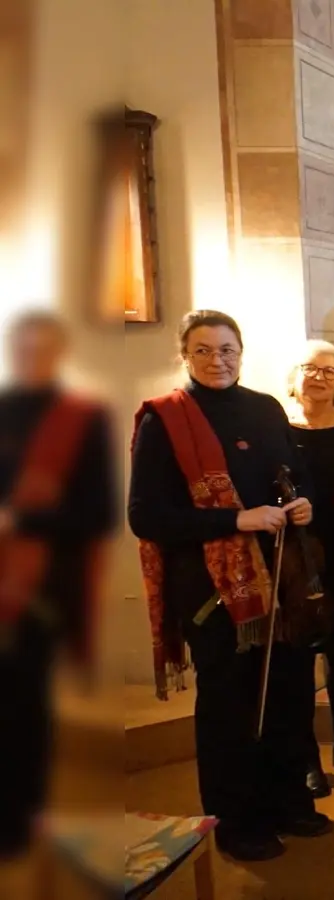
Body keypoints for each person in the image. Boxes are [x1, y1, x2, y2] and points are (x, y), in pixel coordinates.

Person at [128, 310, 325, 861]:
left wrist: (302, 502)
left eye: (227, 350)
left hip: (280, 581)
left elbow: (295, 477)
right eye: (204, 350)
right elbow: (146, 516)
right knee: (229, 709)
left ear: (242, 352)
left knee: (288, 696)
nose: (218, 360)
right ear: (185, 356)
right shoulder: (164, 421)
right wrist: (235, 521)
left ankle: (289, 802)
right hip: (214, 594)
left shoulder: (265, 409)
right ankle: (236, 822)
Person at [0, 312, 113, 861]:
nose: (32, 357)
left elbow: (98, 512)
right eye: (23, 348)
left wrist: (18, 522)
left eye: (43, 349)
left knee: (23, 707)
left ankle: (18, 823)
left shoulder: (82, 420)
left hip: (38, 589)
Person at [283, 341, 334, 797]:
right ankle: (307, 757)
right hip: (295, 556)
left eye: (330, 372)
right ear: (294, 375)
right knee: (297, 661)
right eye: (310, 368)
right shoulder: (276, 426)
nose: (319, 377)